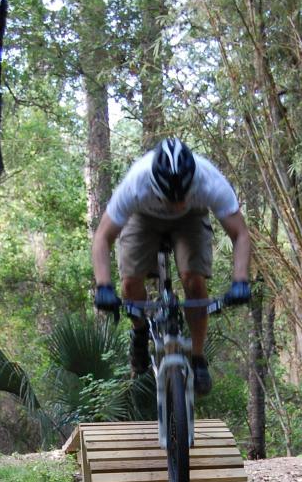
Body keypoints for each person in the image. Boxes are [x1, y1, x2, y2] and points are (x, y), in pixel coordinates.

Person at [91, 137, 251, 396]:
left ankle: (198, 359)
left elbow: (240, 234)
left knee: (194, 280)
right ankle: (140, 332)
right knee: (131, 282)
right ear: (154, 185)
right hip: (143, 217)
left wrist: (241, 280)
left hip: (191, 218)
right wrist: (103, 286)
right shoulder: (136, 183)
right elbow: (102, 237)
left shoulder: (209, 181)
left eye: (182, 197)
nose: (175, 204)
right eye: (169, 198)